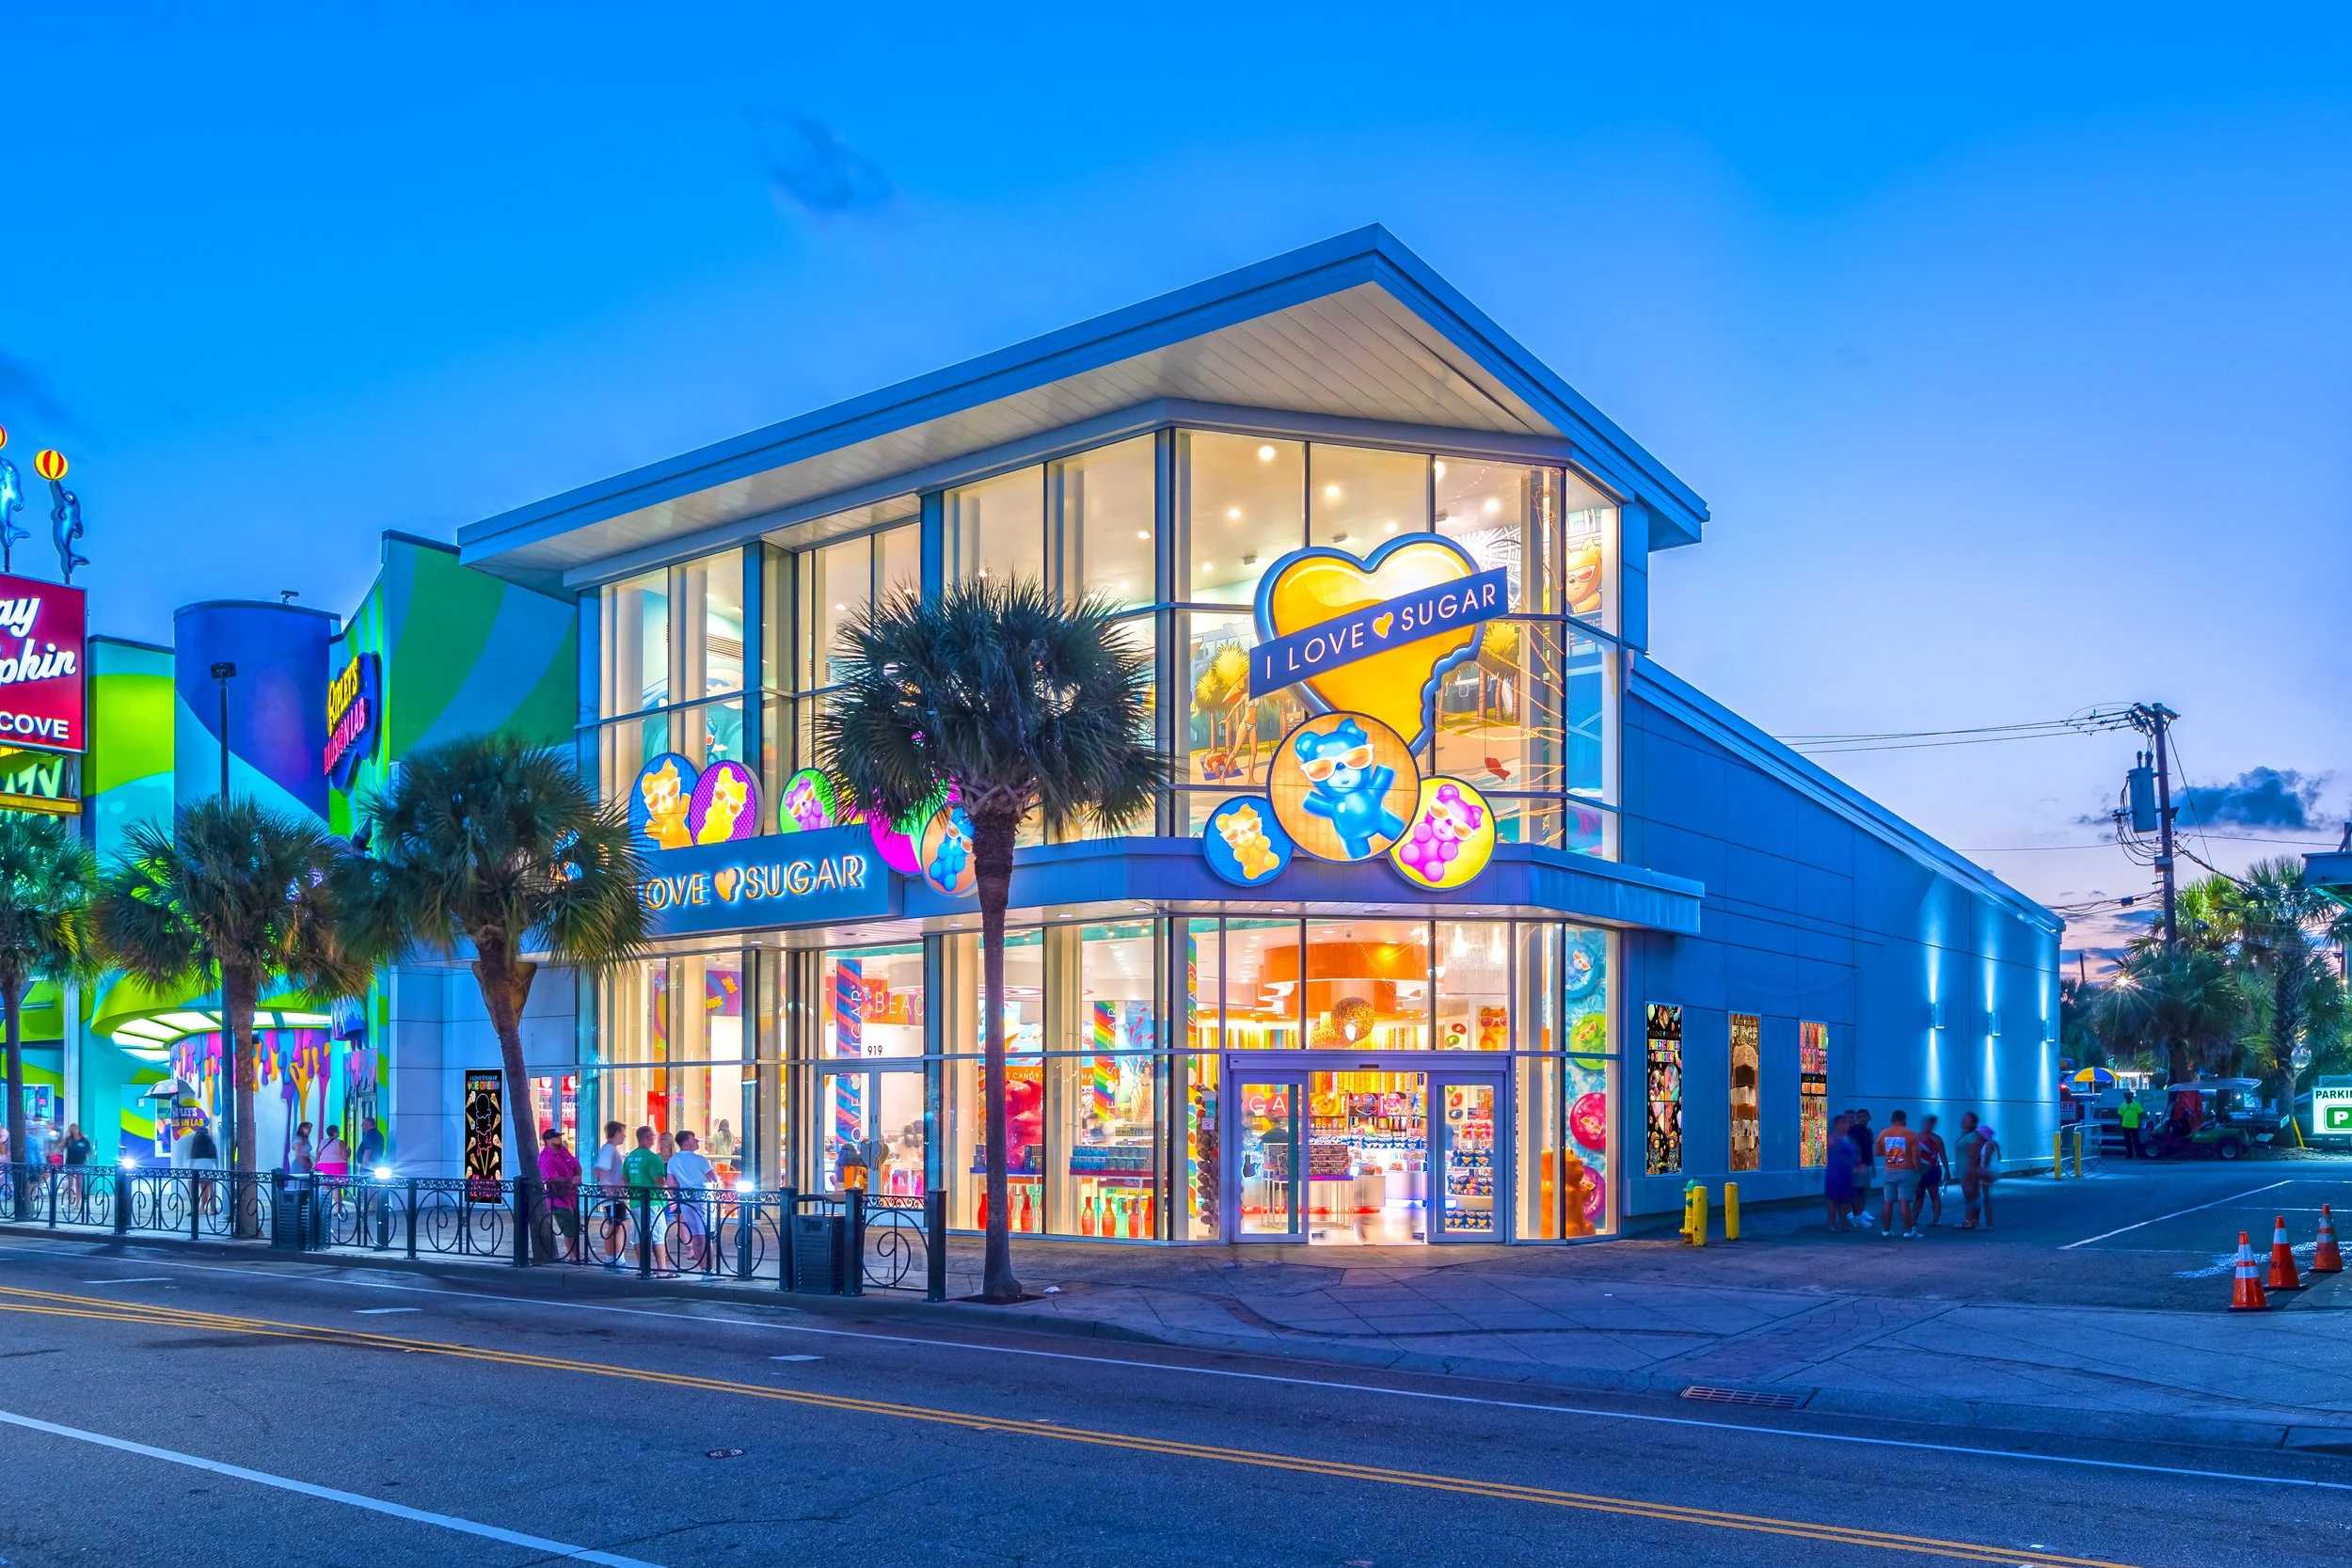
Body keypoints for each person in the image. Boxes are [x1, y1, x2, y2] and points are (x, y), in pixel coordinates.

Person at [666, 1130, 717, 1271]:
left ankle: (702, 1268)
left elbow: (671, 1183)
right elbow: (715, 1178)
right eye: (694, 1139)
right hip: (703, 1198)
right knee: (706, 1235)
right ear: (686, 1143)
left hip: (685, 1199)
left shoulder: (673, 1160)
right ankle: (709, 1270)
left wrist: (674, 1198)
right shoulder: (700, 1160)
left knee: (695, 1234)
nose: (696, 1142)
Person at [1875, 1111, 1925, 1239]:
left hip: (1889, 1170)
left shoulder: (1883, 1133)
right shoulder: (1911, 1134)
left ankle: (1886, 1230)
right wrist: (1918, 1169)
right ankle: (1908, 1231)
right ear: (1904, 1119)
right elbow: (1916, 1155)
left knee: (1888, 1201)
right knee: (1904, 1201)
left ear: (1892, 1120)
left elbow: (1878, 1152)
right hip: (1906, 1171)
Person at [623, 1126, 667, 1261]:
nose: (655, 1138)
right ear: (648, 1138)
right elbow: (659, 1181)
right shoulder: (653, 1158)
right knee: (658, 1235)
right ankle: (662, 1269)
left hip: (635, 1201)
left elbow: (624, 1180)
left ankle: (643, 1267)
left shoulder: (630, 1157)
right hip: (653, 1201)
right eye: (653, 1135)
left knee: (639, 1235)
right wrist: (668, 1189)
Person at [538, 1129, 582, 1262]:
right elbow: (550, 1178)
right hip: (557, 1198)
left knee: (575, 1227)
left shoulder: (563, 1150)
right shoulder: (545, 1157)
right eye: (556, 1137)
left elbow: (576, 1164)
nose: (559, 1139)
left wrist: (578, 1175)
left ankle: (576, 1255)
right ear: (548, 1140)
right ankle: (574, 1256)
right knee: (568, 1227)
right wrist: (570, 1180)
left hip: (572, 1196)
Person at [590, 1120, 629, 1270]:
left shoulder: (610, 1149)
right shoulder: (608, 1149)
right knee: (616, 1226)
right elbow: (599, 1171)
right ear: (617, 1132)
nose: (624, 1136)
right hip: (613, 1197)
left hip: (615, 1196)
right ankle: (614, 1260)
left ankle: (615, 1259)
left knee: (619, 1225)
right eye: (622, 1132)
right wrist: (609, 1189)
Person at [1959, 1112, 1997, 1229]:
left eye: (1979, 1134)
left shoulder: (1988, 1145)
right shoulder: (1986, 1144)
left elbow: (1986, 1161)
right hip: (1987, 1173)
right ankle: (1980, 1219)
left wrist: (1977, 1171)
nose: (1977, 1135)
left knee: (1982, 1196)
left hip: (1988, 1172)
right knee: (1984, 1196)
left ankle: (1977, 1218)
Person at [1823, 1114, 1858, 1231]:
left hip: (1848, 1174)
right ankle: (1831, 1224)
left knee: (1846, 1200)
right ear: (1836, 1124)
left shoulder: (1848, 1138)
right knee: (1833, 1199)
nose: (1845, 1124)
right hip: (1835, 1173)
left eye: (1846, 1122)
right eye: (1841, 1122)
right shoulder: (1832, 1138)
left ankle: (1844, 1224)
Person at [1915, 1114, 1948, 1228]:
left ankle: (1936, 1219)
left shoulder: (1936, 1139)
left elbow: (1943, 1155)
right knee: (1919, 1194)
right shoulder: (1916, 1137)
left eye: (1930, 1124)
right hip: (1919, 1169)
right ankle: (1913, 1218)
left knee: (1933, 1193)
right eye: (1926, 1123)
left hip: (1933, 1169)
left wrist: (1947, 1170)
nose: (1927, 1125)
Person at [1846, 1109, 1876, 1229]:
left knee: (1864, 1192)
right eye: (1859, 1116)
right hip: (1857, 1166)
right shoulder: (1853, 1131)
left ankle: (1861, 1213)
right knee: (1857, 1192)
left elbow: (1870, 1150)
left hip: (1866, 1164)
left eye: (1865, 1116)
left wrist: (1873, 1167)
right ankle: (1856, 1217)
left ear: (1869, 1117)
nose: (1862, 1118)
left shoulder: (1869, 1131)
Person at [187, 1122, 220, 1215]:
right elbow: (215, 1159)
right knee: (205, 1189)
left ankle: (194, 1209)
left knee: (193, 1189)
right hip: (208, 1167)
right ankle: (204, 1208)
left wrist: (189, 1169)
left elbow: (192, 1158)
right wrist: (217, 1169)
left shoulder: (195, 1142)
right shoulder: (210, 1143)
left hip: (196, 1168)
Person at [2118, 1090, 2144, 1160]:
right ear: (2125, 1097)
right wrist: (2120, 1125)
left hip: (2134, 1126)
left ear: (2132, 1096)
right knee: (2127, 1141)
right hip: (2125, 1126)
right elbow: (2120, 1116)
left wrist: (2139, 1123)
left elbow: (2140, 1114)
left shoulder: (2136, 1104)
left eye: (2129, 1095)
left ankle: (2139, 1154)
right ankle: (2129, 1154)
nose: (2128, 1097)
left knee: (2136, 1140)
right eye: (2126, 1095)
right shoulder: (2122, 1105)